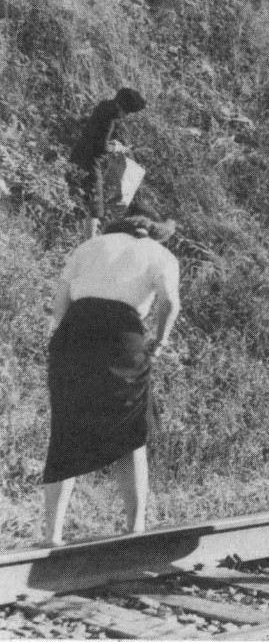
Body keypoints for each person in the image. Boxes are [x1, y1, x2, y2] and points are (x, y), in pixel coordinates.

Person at [41, 206, 180, 547]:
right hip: (122, 337)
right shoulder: (159, 253)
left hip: (74, 334)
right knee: (131, 430)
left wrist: (61, 339)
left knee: (67, 429)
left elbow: (60, 302)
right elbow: (169, 303)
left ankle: (51, 535)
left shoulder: (89, 247)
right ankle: (134, 528)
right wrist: (159, 342)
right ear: (152, 230)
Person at [68, 87, 147, 237]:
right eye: (127, 112)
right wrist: (115, 147)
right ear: (124, 108)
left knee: (82, 200)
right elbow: (100, 147)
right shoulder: (110, 118)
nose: (125, 116)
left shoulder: (103, 106)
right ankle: (90, 246)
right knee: (94, 208)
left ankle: (77, 234)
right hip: (90, 162)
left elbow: (94, 135)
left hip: (77, 155)